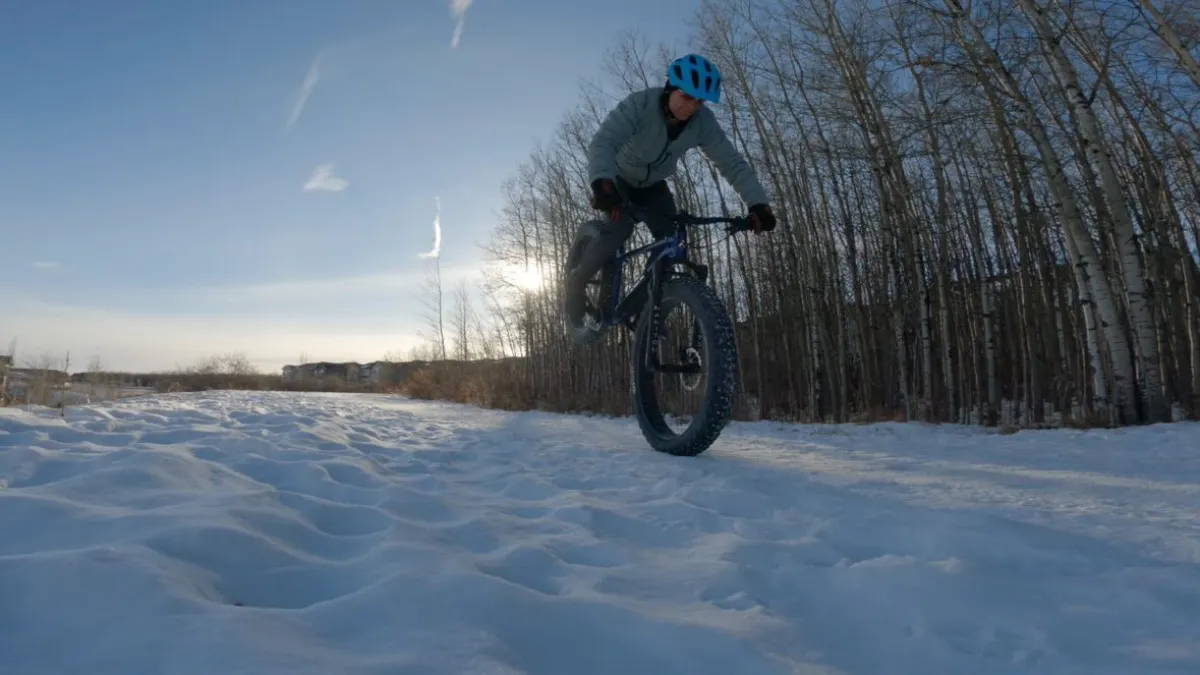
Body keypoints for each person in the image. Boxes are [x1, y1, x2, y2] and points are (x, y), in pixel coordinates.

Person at [565, 53, 776, 329]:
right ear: (670, 87)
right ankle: (577, 281)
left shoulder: (703, 123)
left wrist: (758, 204)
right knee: (617, 231)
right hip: (618, 181)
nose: (692, 106)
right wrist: (602, 182)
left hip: (654, 188)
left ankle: (645, 311)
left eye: (700, 101)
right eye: (687, 96)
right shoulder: (640, 105)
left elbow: (731, 163)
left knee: (671, 243)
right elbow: (604, 142)